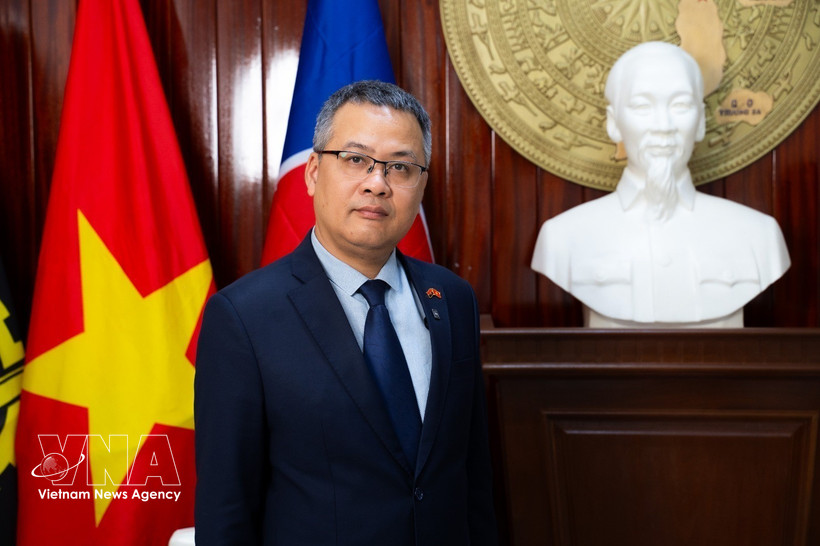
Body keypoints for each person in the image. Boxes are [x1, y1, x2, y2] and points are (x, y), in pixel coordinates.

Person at [194, 80, 498, 545]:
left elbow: (472, 475)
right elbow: (226, 508)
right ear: (313, 172)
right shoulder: (243, 317)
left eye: (400, 167)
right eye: (356, 160)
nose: (377, 183)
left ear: (421, 185)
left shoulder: (453, 298)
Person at [531, 41, 790, 328]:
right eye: (642, 106)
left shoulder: (759, 237)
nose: (663, 126)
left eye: (680, 105)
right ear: (613, 123)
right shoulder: (562, 238)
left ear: (701, 122)